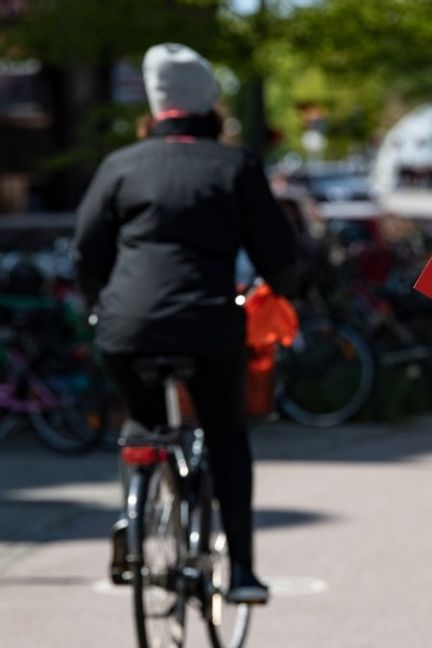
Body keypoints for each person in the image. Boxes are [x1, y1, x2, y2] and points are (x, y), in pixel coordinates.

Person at [73, 43, 299, 605]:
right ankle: (242, 571)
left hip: (126, 330)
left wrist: (99, 308)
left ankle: (135, 515)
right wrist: (291, 287)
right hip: (208, 326)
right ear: (209, 110)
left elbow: (85, 253)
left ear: (154, 111)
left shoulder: (119, 166)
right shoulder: (234, 165)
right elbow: (279, 256)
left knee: (143, 428)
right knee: (225, 435)